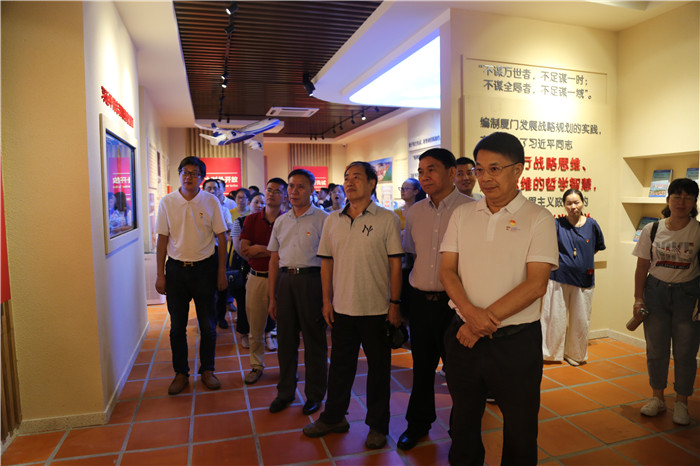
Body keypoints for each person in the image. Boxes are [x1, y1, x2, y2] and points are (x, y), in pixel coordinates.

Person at [439, 132, 558, 465]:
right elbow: (447, 270)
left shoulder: (539, 218)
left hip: (515, 343)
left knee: (520, 427)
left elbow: (536, 284)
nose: (485, 177)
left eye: (495, 168)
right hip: (463, 337)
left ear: (518, 170)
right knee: (463, 421)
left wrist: (478, 323)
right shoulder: (463, 215)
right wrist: (470, 317)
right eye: (480, 169)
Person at [303, 162, 403, 450]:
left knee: (378, 371)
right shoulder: (333, 220)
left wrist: (395, 304)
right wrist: (326, 301)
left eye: (357, 177)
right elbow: (326, 263)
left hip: (377, 309)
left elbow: (395, 265)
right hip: (342, 309)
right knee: (340, 368)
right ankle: (334, 417)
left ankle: (378, 426)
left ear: (372, 183)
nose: (349, 182)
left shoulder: (387, 219)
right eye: (346, 177)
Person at [398, 148, 472, 451]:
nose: (424, 176)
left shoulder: (472, 210)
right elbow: (411, 254)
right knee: (422, 368)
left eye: (431, 169)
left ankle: (461, 434)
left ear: (451, 173)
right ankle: (418, 423)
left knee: (459, 373)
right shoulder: (415, 212)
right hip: (420, 302)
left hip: (455, 306)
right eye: (420, 171)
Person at [155, 156, 228, 395]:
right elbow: (162, 240)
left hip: (205, 269)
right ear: (179, 174)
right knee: (177, 327)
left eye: (194, 173)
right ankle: (181, 373)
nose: (189, 177)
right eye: (185, 172)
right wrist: (160, 275)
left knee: (208, 325)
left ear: (201, 178)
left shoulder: (210, 201)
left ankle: (207, 370)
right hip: (176, 270)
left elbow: (222, 237)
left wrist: (221, 272)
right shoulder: (167, 202)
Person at [632, 177, 700, 426]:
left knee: (686, 351)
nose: (682, 201)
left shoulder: (698, 231)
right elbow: (642, 267)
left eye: (688, 197)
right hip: (656, 293)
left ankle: (681, 402)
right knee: (656, 349)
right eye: (677, 196)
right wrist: (638, 299)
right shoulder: (652, 229)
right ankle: (657, 397)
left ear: (694, 202)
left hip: (688, 295)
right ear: (668, 199)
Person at [267, 169, 329, 416]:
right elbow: (274, 259)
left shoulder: (324, 219)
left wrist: (327, 298)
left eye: (300, 186)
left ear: (312, 189)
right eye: (291, 186)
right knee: (285, 341)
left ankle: (315, 394)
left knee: (314, 342)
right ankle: (285, 392)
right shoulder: (281, 221)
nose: (294, 191)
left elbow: (329, 261)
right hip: (285, 282)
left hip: (312, 281)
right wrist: (272, 296)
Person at [541, 189, 606, 366]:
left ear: (583, 203)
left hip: (584, 278)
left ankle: (575, 354)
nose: (573, 206)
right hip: (558, 276)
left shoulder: (592, 224)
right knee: (554, 317)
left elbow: (596, 247)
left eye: (576, 202)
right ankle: (551, 353)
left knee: (581, 319)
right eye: (569, 203)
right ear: (564, 205)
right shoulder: (557, 224)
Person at [240, 178, 287, 384]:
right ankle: (256, 366)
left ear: (284, 196)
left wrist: (259, 248)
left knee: (286, 328)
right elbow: (245, 250)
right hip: (257, 278)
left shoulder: (288, 220)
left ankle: (287, 367)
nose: (271, 194)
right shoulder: (251, 219)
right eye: (269, 190)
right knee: (256, 328)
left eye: (277, 191)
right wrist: (272, 250)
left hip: (283, 279)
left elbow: (287, 253)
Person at [204, 178, 234, 329]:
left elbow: (228, 229)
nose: (212, 191)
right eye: (208, 188)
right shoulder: (198, 209)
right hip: (203, 252)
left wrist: (212, 233)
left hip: (219, 250)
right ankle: (207, 318)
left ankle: (221, 317)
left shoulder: (223, 210)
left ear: (219, 191)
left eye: (215, 188)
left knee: (222, 286)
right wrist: (217, 232)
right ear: (203, 190)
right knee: (205, 288)